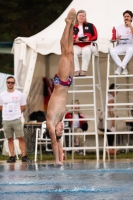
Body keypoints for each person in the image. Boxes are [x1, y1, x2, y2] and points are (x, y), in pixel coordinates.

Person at [46, 9, 76, 166]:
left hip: (61, 82)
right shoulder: (60, 119)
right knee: (70, 52)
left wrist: (56, 161)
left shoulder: (51, 122)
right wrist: (62, 159)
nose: (61, 128)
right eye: (62, 130)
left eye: (60, 130)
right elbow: (58, 142)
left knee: (64, 52)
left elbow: (53, 141)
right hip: (68, 82)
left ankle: (67, 24)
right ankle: (72, 27)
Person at [0, 76, 31, 163]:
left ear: (14, 83)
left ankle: (24, 156)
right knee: (9, 138)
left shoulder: (19, 94)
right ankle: (12, 156)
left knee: (21, 137)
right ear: (6, 83)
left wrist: (17, 112)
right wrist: (7, 112)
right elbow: (0, 106)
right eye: (9, 82)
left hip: (16, 119)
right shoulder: (2, 95)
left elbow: (23, 106)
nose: (10, 84)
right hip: (6, 120)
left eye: (12, 82)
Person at [73, 10, 98, 76]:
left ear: (85, 17)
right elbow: (68, 37)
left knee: (86, 51)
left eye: (83, 16)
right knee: (71, 52)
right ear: (77, 17)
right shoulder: (73, 27)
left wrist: (89, 39)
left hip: (87, 45)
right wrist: (75, 39)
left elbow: (95, 36)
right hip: (77, 45)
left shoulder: (90, 25)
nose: (81, 17)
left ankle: (83, 70)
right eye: (80, 16)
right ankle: (77, 70)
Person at [110, 10, 133, 75]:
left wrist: (130, 26)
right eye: (125, 16)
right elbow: (115, 38)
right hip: (121, 44)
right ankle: (123, 67)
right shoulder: (119, 27)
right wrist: (117, 38)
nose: (126, 18)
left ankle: (120, 67)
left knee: (131, 50)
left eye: (128, 16)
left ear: (131, 18)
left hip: (130, 44)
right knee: (112, 51)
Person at [98, 83, 118, 154]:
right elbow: (110, 109)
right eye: (116, 89)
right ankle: (110, 149)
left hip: (103, 116)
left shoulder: (108, 96)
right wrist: (113, 120)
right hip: (107, 117)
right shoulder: (111, 98)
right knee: (111, 132)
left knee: (109, 133)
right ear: (113, 90)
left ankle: (109, 149)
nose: (117, 91)